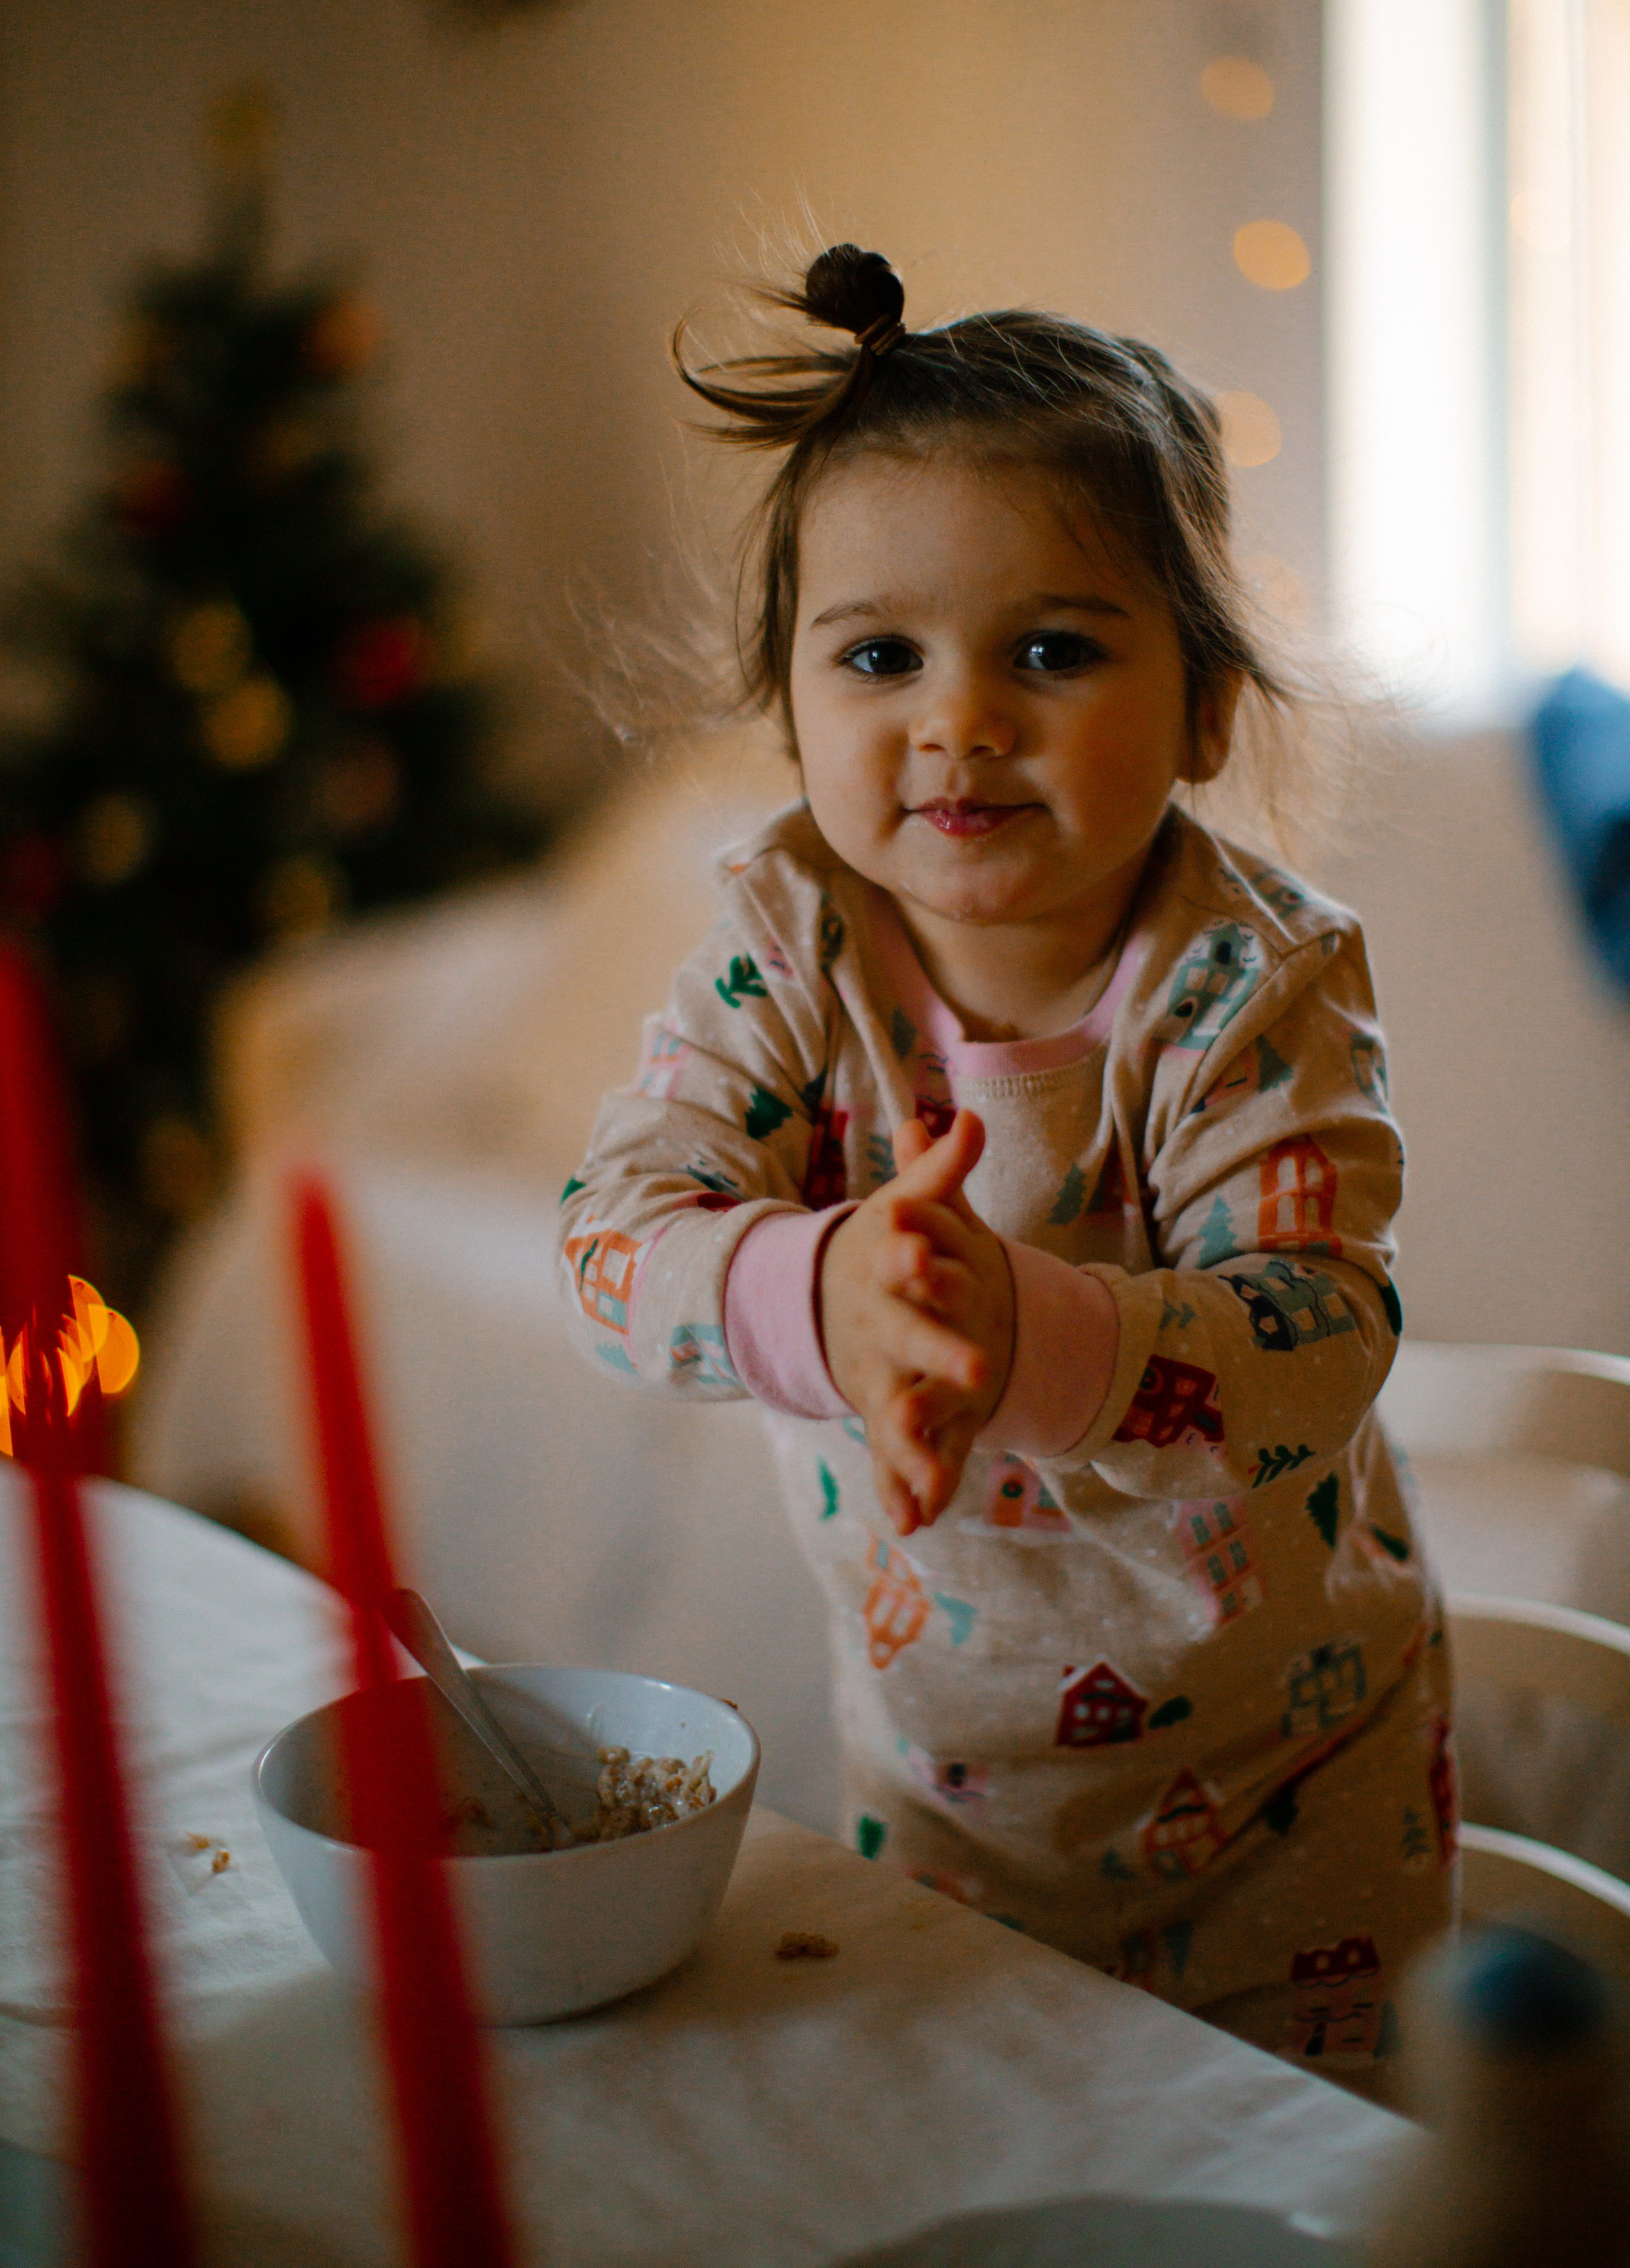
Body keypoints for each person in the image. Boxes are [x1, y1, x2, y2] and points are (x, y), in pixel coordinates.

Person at [558, 242, 1454, 2083]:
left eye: (1052, 648)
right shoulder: (781, 952)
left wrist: (1018, 1331)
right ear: (792, 709)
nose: (958, 718)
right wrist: (813, 1294)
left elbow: (1318, 1333)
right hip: (943, 1791)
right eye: (881, 655)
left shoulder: (1250, 983)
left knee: (1307, 2189)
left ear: (1208, 709)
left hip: (1301, 1788)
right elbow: (609, 1249)